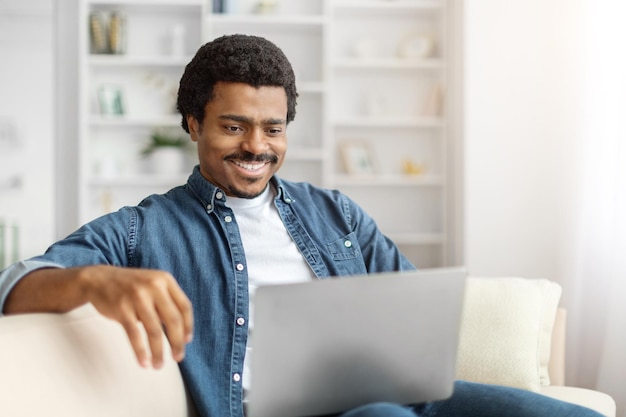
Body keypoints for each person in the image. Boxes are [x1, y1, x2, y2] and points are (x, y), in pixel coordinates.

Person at [0, 34, 602, 417]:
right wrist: (94, 282)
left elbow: (413, 306)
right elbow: (14, 283)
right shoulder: (141, 229)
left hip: (399, 398)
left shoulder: (335, 211)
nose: (257, 146)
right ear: (192, 124)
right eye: (233, 126)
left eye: (274, 128)